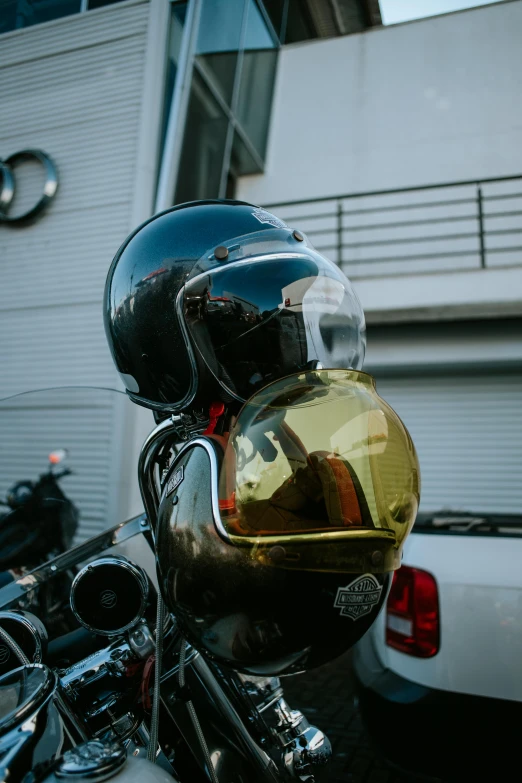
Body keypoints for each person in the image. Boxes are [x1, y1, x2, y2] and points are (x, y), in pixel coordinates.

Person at [104, 200, 420, 675]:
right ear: (163, 336)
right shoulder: (206, 442)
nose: (279, 333)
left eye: (285, 315)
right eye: (249, 310)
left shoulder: (262, 431)